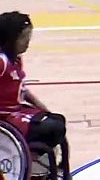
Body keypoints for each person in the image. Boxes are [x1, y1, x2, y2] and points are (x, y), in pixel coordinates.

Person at [0, 11, 69, 176]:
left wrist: (43, 108)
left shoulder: (15, 59)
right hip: (5, 119)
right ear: (11, 38)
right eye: (24, 38)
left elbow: (23, 91)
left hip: (17, 111)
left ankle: (41, 163)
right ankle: (27, 160)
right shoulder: (1, 61)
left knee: (57, 120)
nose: (27, 42)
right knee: (53, 128)